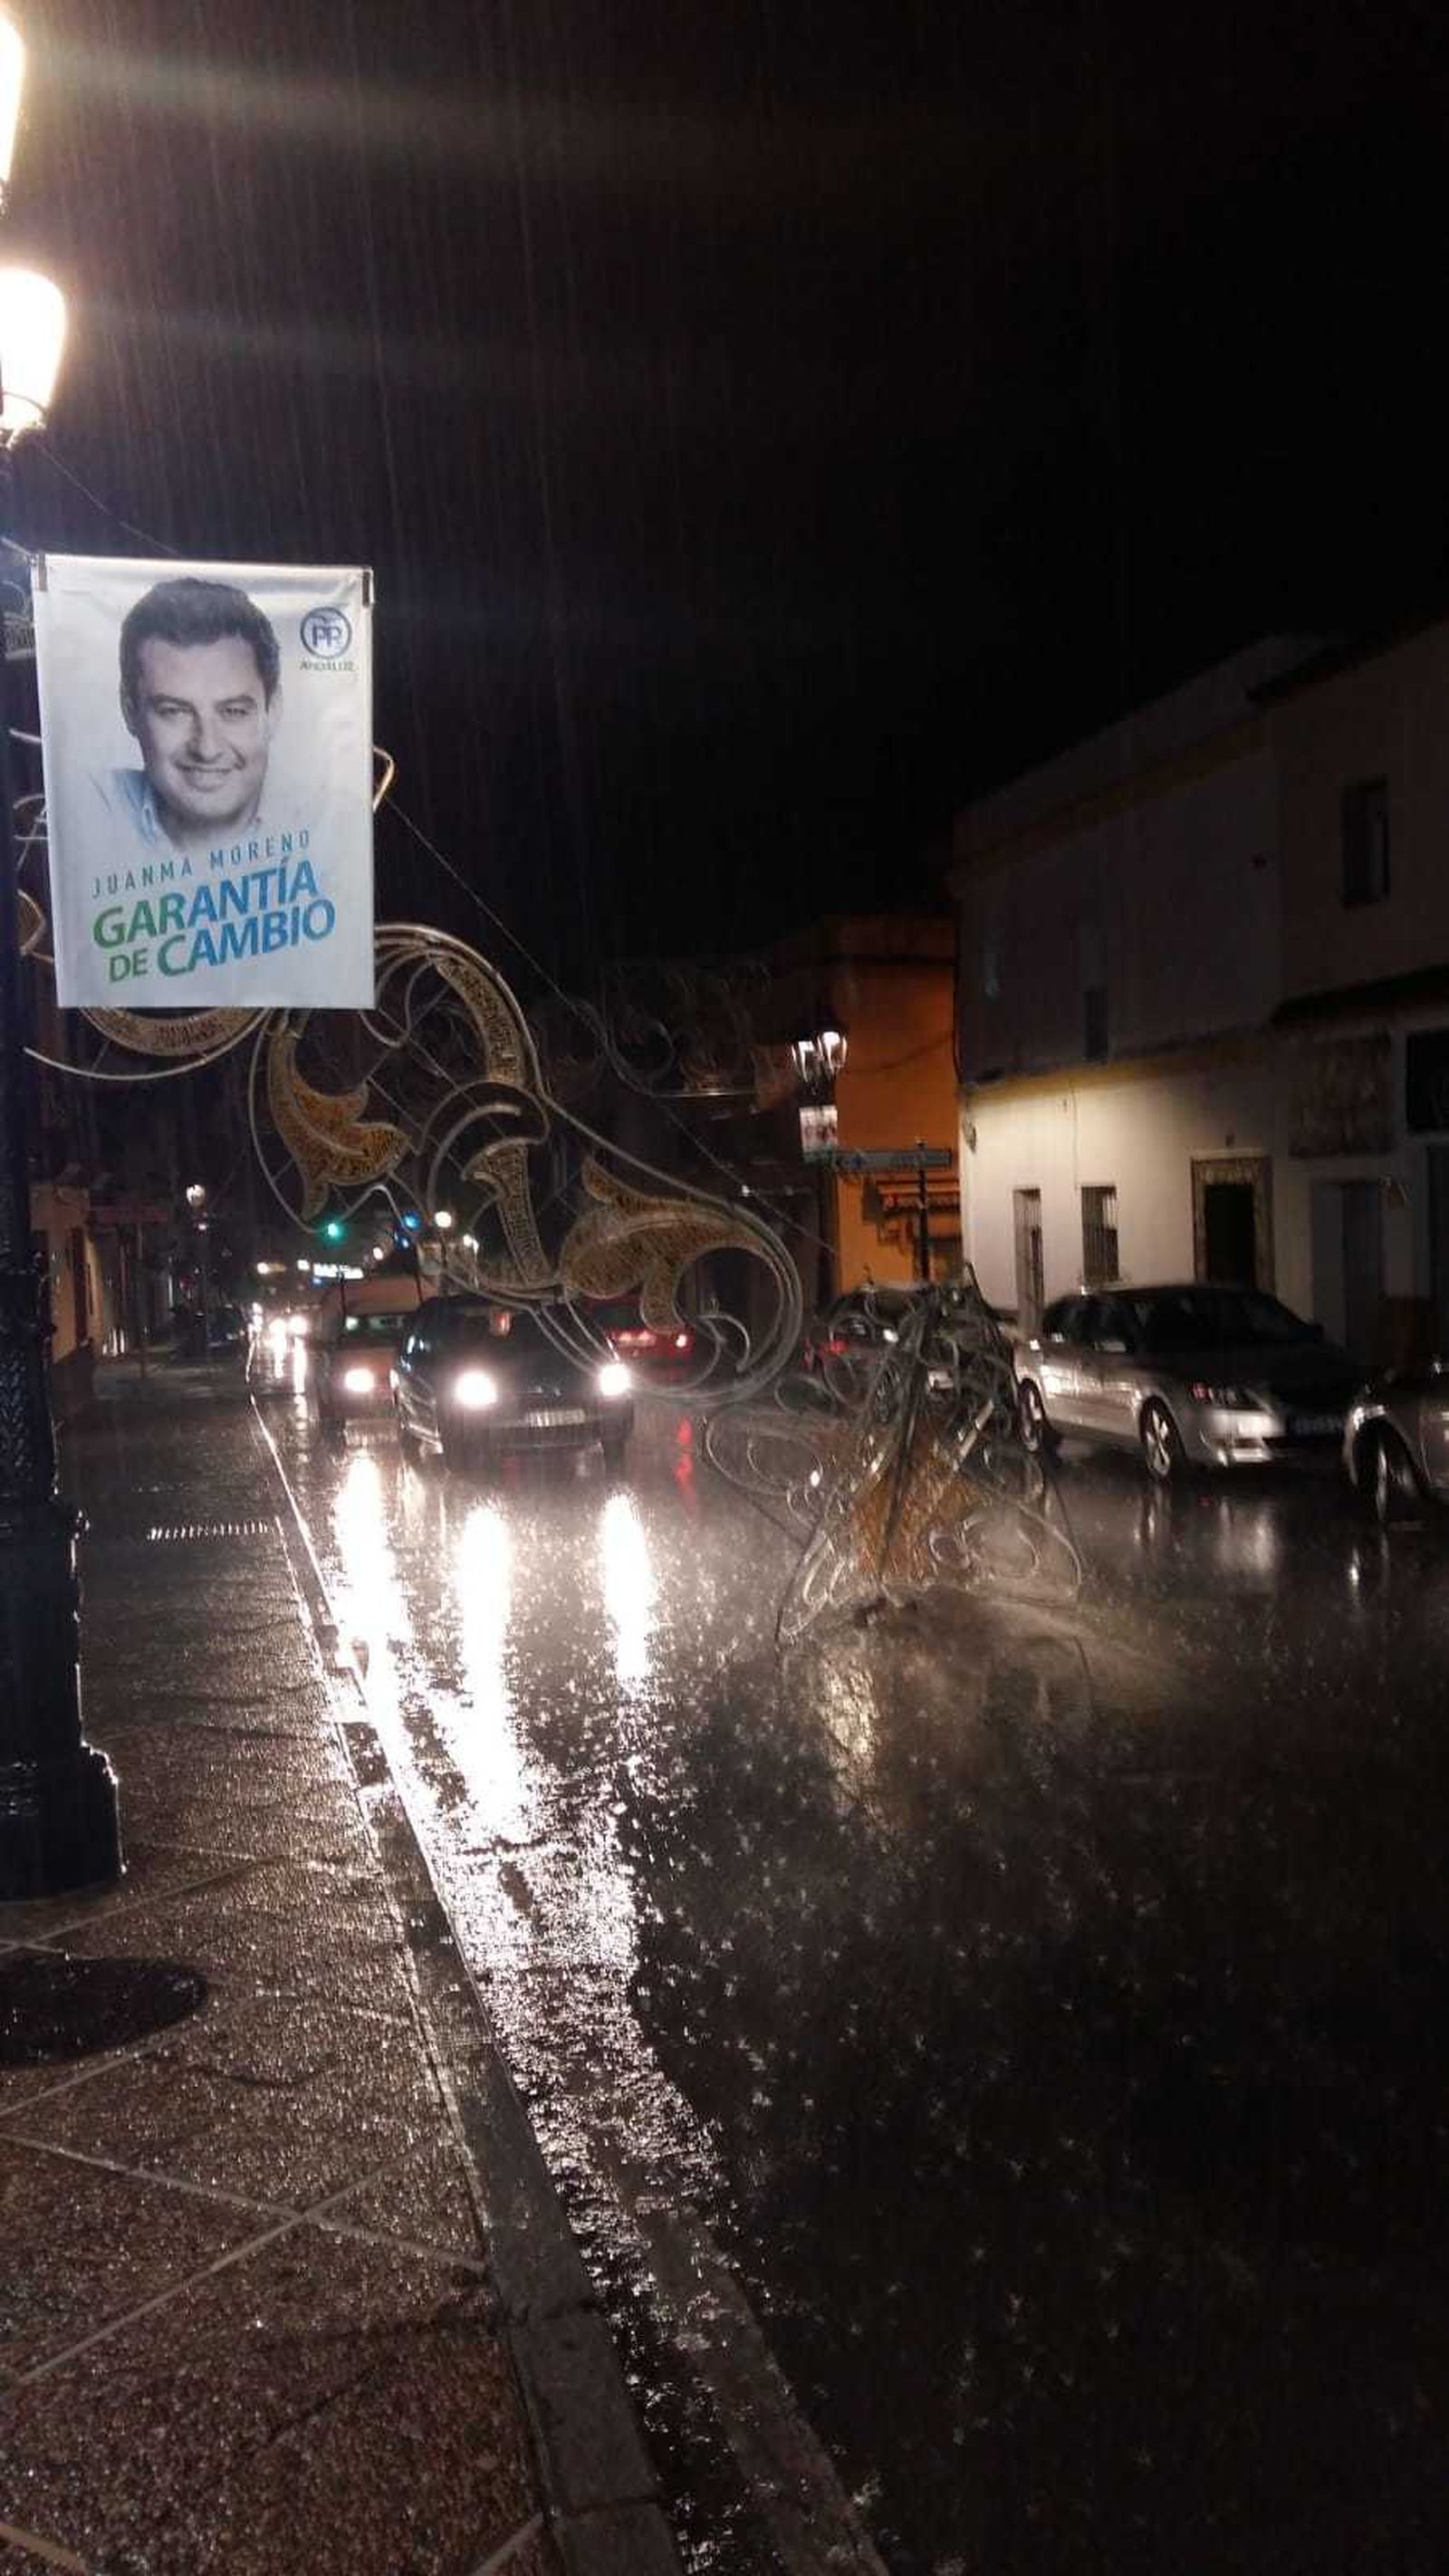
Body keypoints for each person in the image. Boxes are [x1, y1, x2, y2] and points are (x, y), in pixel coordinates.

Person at [96, 576, 283, 861]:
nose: (206, 749)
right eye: (173, 711)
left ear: (274, 708)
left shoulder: (331, 822)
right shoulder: (87, 808)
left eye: (233, 712)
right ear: (129, 709)